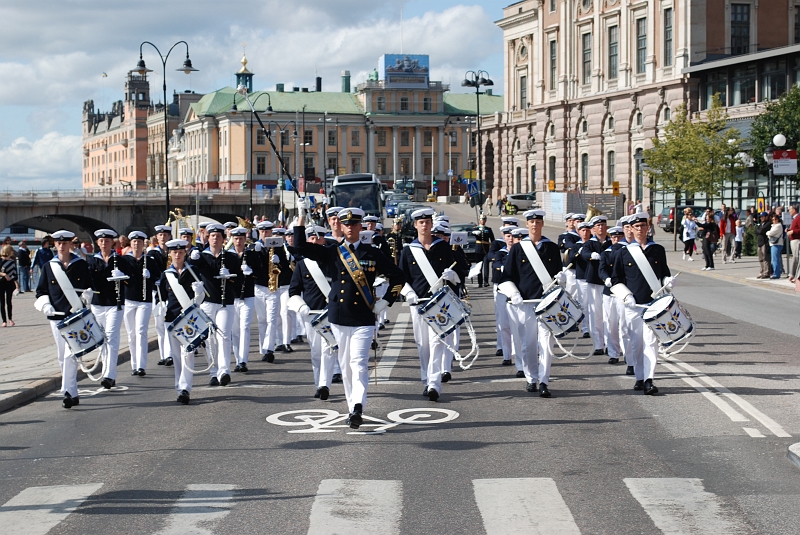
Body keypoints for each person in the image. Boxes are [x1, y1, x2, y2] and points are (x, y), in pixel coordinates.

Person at [295, 206, 406, 429]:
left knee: (359, 363)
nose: (350, 228)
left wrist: (386, 301)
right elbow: (299, 247)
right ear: (341, 227)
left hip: (363, 318)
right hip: (338, 317)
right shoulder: (332, 252)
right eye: (346, 224)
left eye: (354, 224)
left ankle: (358, 406)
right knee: (345, 365)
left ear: (360, 226)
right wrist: (301, 217)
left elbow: (399, 277)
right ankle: (351, 406)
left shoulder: (372, 253)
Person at [399, 208, 465, 401]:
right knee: (423, 345)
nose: (425, 225)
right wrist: (407, 292)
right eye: (421, 222)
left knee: (437, 343)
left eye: (428, 222)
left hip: (439, 304)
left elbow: (460, 273)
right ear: (415, 225)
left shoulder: (442, 247)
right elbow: (401, 278)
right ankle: (426, 378)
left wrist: (452, 276)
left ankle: (434, 384)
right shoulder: (408, 250)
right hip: (418, 303)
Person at [498, 209, 563, 397]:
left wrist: (562, 279)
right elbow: (505, 277)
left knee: (546, 344)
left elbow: (557, 274)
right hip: (525, 303)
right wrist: (514, 292)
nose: (535, 225)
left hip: (546, 303)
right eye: (531, 222)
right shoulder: (519, 249)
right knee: (528, 344)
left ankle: (543, 381)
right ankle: (531, 377)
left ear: (542, 224)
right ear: (527, 225)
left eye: (538, 222)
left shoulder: (551, 248)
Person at [611, 212, 674, 395]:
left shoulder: (658, 250)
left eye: (643, 226)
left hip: (653, 305)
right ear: (630, 229)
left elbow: (664, 273)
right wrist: (625, 296)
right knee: (636, 344)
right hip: (633, 306)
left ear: (648, 227)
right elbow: (616, 279)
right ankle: (639, 376)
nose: (640, 229)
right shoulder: (623, 252)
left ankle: (649, 379)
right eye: (636, 227)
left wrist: (668, 281)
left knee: (651, 343)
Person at [34, 230, 93, 409]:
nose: (61, 245)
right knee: (63, 355)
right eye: (58, 243)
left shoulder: (80, 265)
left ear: (71, 244)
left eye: (65, 242)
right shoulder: (48, 266)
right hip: (56, 316)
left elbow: (89, 286)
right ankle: (73, 392)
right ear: (55, 244)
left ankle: (67, 391)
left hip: (74, 316)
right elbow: (41, 291)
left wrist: (87, 296)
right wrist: (45, 305)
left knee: (70, 354)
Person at [189, 223, 241, 386]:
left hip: (226, 302)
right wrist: (192, 260)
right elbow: (190, 275)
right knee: (210, 338)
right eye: (212, 236)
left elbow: (239, 280)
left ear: (223, 239)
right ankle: (213, 371)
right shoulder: (201, 257)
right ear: (208, 238)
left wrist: (230, 277)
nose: (215, 239)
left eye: (218, 236)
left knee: (224, 335)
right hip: (208, 302)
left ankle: (224, 370)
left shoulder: (231, 257)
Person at [288, 225, 335, 399]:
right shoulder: (302, 264)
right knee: (316, 352)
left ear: (324, 239)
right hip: (311, 314)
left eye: (318, 237)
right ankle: (318, 382)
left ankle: (325, 385)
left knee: (328, 349)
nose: (315, 240)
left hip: (330, 313)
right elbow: (293, 291)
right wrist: (300, 305)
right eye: (311, 238)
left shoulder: (331, 258)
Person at [156, 238, 205, 405]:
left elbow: (201, 299)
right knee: (177, 356)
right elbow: (160, 296)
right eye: (174, 252)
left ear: (185, 253)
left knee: (188, 353)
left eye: (181, 252)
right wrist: (160, 307)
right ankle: (179, 386)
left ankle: (185, 388)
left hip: (189, 319)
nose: (178, 255)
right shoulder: (166, 275)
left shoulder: (193, 271)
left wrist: (199, 293)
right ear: (170, 254)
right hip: (171, 319)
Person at [87, 229, 133, 389]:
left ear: (112, 243)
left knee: (112, 337)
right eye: (101, 241)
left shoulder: (120, 260)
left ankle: (109, 374)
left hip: (115, 303)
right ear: (98, 243)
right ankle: (107, 369)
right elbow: (88, 280)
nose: (104, 244)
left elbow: (131, 281)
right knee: (101, 340)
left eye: (107, 241)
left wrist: (122, 277)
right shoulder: (92, 261)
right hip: (98, 303)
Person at [122, 231, 162, 377]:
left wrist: (150, 276)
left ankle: (141, 365)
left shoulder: (149, 260)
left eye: (139, 242)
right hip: (129, 299)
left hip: (144, 300)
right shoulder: (125, 260)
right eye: (134, 242)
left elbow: (159, 278)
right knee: (131, 334)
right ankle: (134, 363)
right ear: (131, 244)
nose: (136, 244)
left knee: (141, 331)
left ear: (143, 244)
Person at [230, 226, 261, 373]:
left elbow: (260, 273)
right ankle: (237, 359)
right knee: (235, 330)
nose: (238, 241)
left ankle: (243, 360)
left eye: (240, 239)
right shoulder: (228, 255)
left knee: (244, 327)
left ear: (245, 239)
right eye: (236, 239)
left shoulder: (251, 255)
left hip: (247, 295)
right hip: (232, 296)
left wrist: (252, 272)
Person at [0, 245, 20, 327]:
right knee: (2, 302)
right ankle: (4, 320)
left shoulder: (12, 262)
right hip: (1, 282)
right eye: (11, 251)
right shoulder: (0, 260)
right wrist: (4, 274)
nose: (12, 252)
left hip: (9, 283)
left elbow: (14, 274)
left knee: (9, 301)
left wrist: (17, 285)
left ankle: (10, 319)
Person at [755, 212, 773, 279]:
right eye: (761, 217)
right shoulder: (761, 224)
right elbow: (756, 231)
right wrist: (759, 231)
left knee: (766, 258)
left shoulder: (768, 224)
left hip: (764, 243)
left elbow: (761, 231)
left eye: (763, 216)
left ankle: (766, 273)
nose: (761, 218)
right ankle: (762, 272)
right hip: (759, 243)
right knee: (760, 259)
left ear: (766, 217)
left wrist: (759, 231)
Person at [767, 214, 785, 279]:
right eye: (773, 219)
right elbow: (770, 233)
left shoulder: (778, 225)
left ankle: (776, 274)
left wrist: (768, 233)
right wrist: (769, 233)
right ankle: (776, 272)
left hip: (777, 244)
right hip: (773, 243)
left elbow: (770, 233)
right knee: (774, 259)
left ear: (778, 219)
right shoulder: (773, 225)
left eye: (775, 219)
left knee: (775, 259)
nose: (774, 220)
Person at [786, 204, 800, 283]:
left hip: (797, 240)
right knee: (795, 258)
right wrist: (789, 230)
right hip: (793, 240)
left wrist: (793, 231)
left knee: (796, 258)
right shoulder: (794, 219)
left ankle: (795, 275)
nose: (789, 211)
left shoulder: (798, 218)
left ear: (794, 210)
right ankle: (793, 275)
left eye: (790, 209)